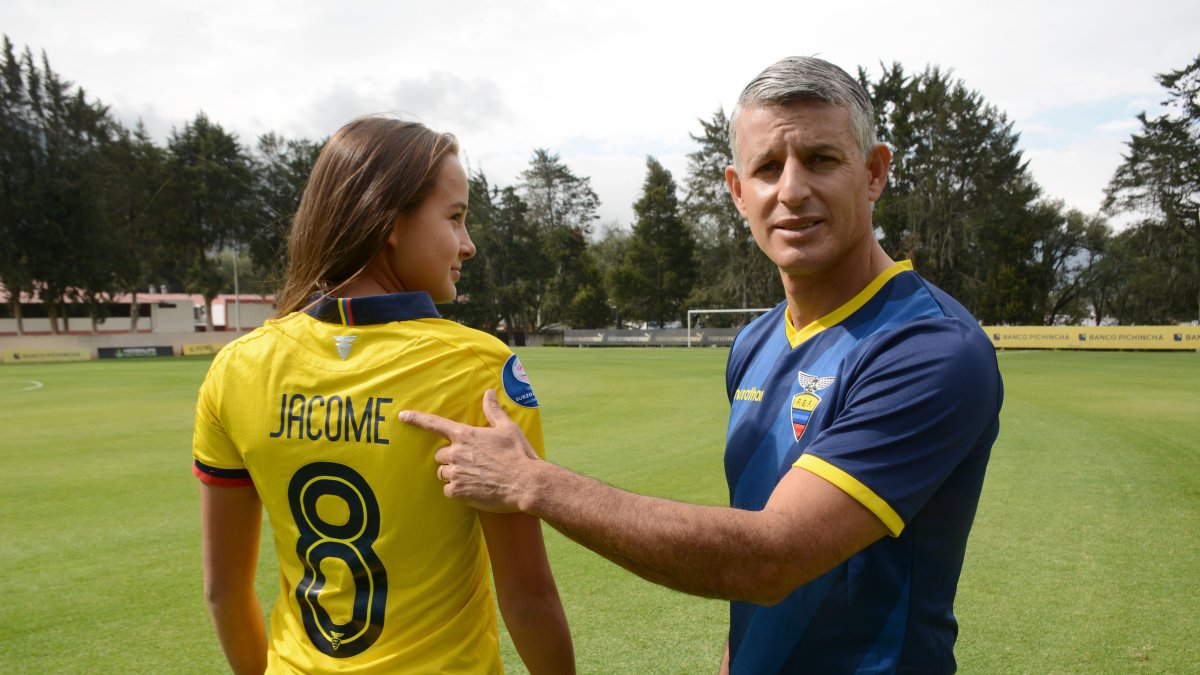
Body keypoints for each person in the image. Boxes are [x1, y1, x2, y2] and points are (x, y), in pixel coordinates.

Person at [400, 56, 1003, 674]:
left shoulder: (928, 348)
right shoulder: (756, 343)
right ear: (739, 192)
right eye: (767, 168)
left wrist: (533, 482)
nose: (792, 190)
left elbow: (770, 560)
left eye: (822, 159)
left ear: (874, 172)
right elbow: (756, 573)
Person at [192, 115, 574, 674]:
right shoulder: (479, 369)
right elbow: (529, 599)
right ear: (389, 220)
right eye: (456, 218)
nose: (468, 245)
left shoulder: (237, 368)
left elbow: (223, 592)